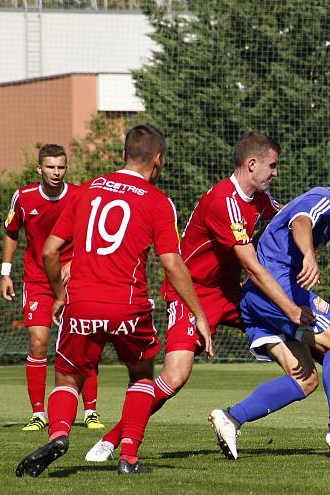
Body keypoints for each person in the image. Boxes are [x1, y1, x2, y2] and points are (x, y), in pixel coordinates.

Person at [85, 135, 330, 462]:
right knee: (175, 377)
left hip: (232, 291)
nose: (276, 173)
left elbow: (286, 218)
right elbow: (255, 261)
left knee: (309, 371)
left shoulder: (260, 199)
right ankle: (113, 439)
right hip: (193, 293)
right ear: (252, 164)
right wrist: (292, 304)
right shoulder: (225, 201)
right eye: (272, 166)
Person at [15, 124, 212, 477]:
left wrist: (60, 294)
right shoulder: (157, 201)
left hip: (82, 302)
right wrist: (198, 312)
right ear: (158, 160)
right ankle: (129, 458)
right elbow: (172, 263)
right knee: (140, 374)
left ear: (123, 154)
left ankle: (59, 435)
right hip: (128, 305)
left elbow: (48, 251)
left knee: (67, 376)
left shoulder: (85, 191)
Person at [209, 158, 330, 458]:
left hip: (257, 297)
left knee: (306, 380)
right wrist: (309, 256)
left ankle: (231, 417)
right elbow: (300, 220)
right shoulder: (322, 199)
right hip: (275, 290)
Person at [0, 144, 104, 432]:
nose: (56, 172)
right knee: (38, 342)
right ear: (39, 169)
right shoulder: (24, 197)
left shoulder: (80, 196)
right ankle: (38, 413)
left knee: (84, 342)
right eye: (50, 167)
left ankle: (91, 411)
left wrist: (75, 264)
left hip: (74, 280)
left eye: (61, 167)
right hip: (36, 281)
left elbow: (92, 236)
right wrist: (5, 273)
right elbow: (11, 232)